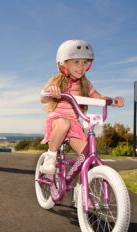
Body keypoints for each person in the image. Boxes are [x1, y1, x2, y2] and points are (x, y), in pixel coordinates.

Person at [40, 40, 125, 174]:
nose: (81, 66)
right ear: (64, 63)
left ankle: (81, 190)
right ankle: (50, 157)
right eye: (76, 62)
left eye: (84, 62)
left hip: (75, 126)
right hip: (58, 122)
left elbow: (100, 98)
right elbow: (43, 98)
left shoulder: (85, 84)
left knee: (87, 154)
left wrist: (113, 101)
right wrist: (52, 92)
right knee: (64, 123)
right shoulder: (58, 81)